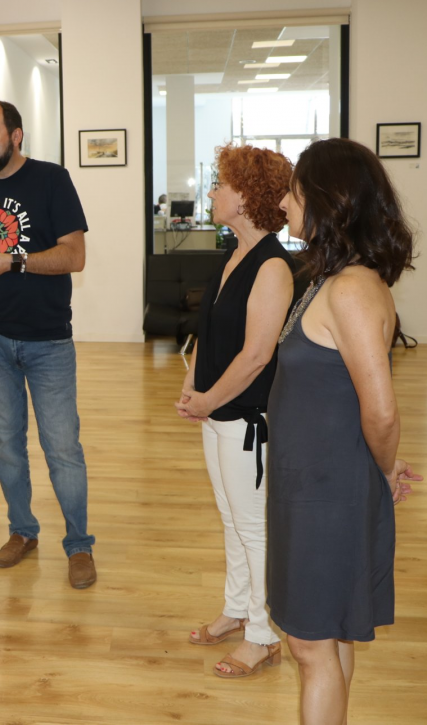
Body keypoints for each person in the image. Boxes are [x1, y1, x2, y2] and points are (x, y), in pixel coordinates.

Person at [268, 138, 421, 725]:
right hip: (311, 487)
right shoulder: (331, 279)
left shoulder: (353, 288)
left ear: (329, 201)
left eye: (294, 192)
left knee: (310, 645)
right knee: (327, 638)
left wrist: (384, 468)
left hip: (327, 496)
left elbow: (380, 411)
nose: (284, 203)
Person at [0, 99, 96, 589]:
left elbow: (74, 256)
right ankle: (22, 531)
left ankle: (78, 544)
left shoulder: (52, 180)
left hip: (48, 341)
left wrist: (12, 261)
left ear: (16, 136)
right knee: (6, 446)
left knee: (62, 448)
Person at [175, 144, 294, 678]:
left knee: (253, 527)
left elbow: (255, 356)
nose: (213, 192)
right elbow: (212, 330)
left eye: (221, 184)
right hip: (217, 413)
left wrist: (208, 398)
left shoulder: (273, 265)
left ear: (247, 196)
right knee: (231, 519)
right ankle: (237, 610)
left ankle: (265, 635)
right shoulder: (232, 253)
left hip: (247, 420)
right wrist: (191, 380)